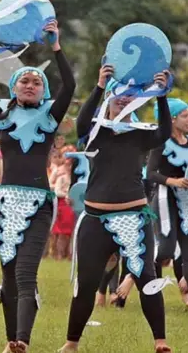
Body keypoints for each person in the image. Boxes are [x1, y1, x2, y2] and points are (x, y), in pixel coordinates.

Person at [0, 20, 75, 353]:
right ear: (14, 88)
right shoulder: (1, 117)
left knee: (25, 274)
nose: (30, 85)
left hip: (40, 204)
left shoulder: (50, 117)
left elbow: (70, 86)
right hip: (6, 204)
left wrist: (56, 47)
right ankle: (10, 340)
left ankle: (23, 341)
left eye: (36, 82)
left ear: (43, 90)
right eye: (24, 81)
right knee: (7, 280)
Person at [59, 65, 172, 353]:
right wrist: (99, 86)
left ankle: (160, 341)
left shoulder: (140, 134)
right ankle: (71, 342)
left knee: (147, 276)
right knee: (86, 282)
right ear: (110, 98)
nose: (123, 99)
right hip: (96, 218)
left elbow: (164, 132)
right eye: (118, 94)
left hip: (134, 216)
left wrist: (160, 96)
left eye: (130, 96)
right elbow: (82, 123)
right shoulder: (96, 131)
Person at [146, 97, 188, 306]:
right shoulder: (160, 142)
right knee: (165, 251)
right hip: (164, 200)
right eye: (185, 115)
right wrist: (174, 181)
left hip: (186, 204)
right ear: (172, 119)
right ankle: (132, 274)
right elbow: (150, 173)